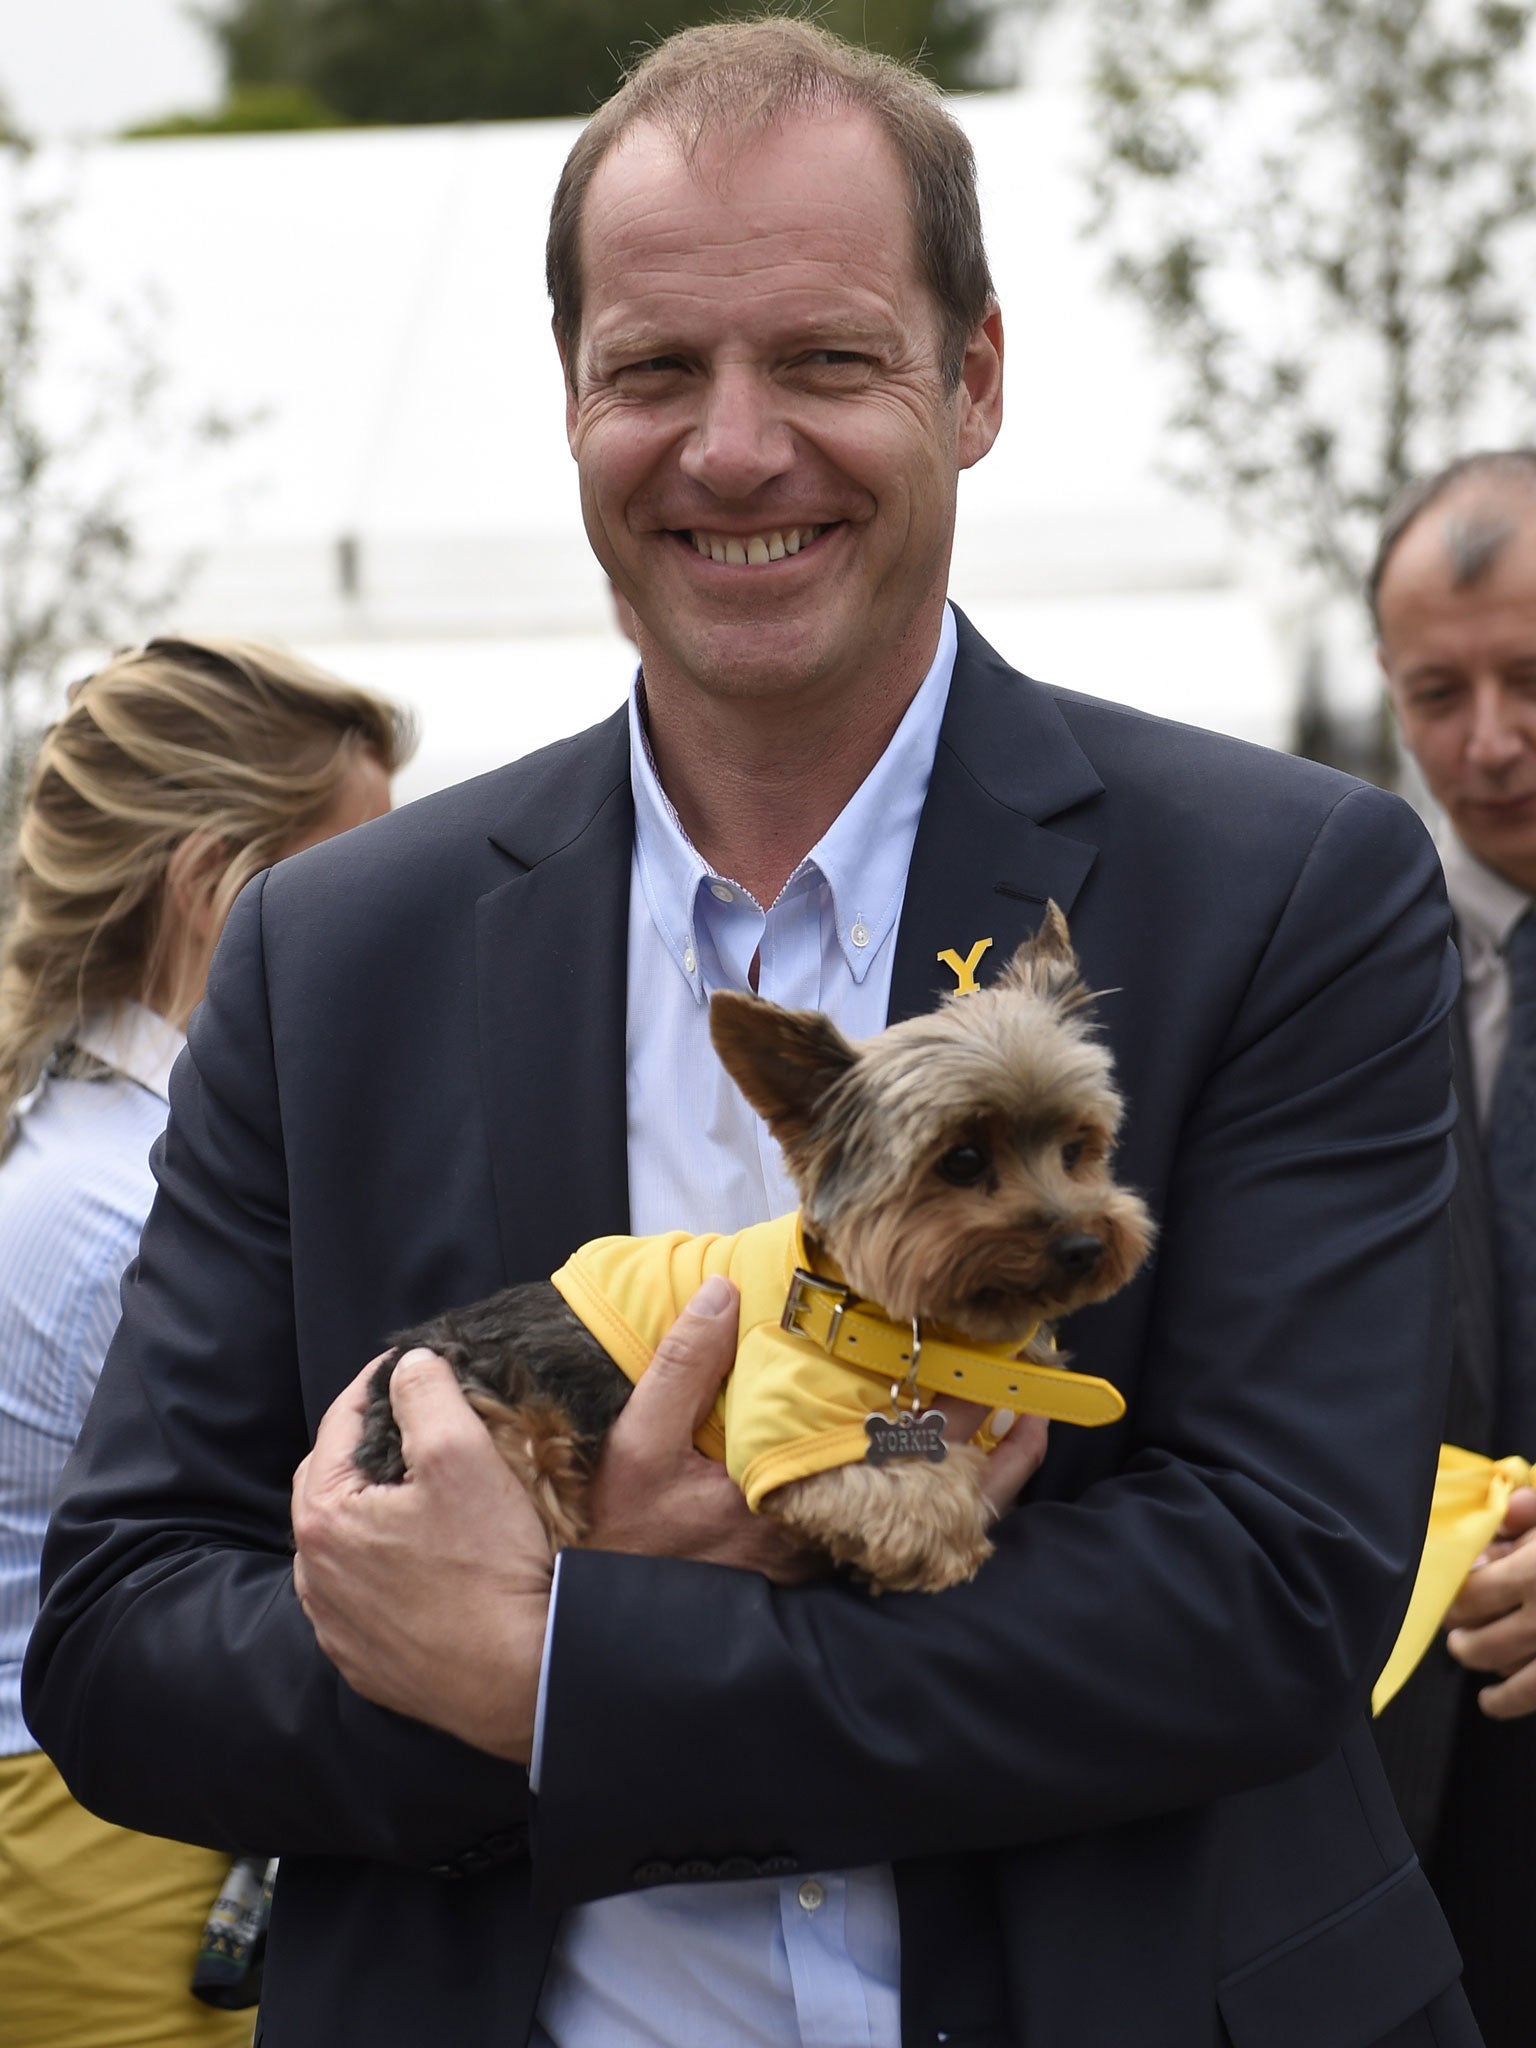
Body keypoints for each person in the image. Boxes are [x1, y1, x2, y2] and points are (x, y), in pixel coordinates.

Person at [25, 22, 1473, 2046]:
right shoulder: (331, 951)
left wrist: (567, 1662)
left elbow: (1272, 1593)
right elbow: (121, 1638)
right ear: (570, 401)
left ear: (974, 380)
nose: (732, 448)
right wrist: (542, 1638)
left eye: (823, 359)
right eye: (654, 370)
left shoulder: (1288, 887)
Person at [0, 637, 411, 2047]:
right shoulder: (137, 1206)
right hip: (109, 1857)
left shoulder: (73, 1141)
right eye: (354, 876)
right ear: (213, 890)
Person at [1369, 451, 1536, 2048]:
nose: (1489, 743)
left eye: (1532, 681)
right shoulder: (1321, 988)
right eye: (1438, 693)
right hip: (1401, 1813)